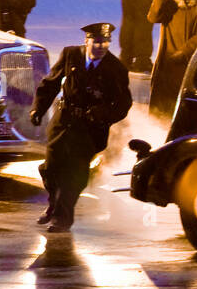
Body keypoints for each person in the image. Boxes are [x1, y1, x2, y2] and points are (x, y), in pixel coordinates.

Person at [29, 23, 132, 233]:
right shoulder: (71, 55)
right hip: (63, 121)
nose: (101, 47)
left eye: (106, 42)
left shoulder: (116, 68)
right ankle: (53, 204)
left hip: (89, 129)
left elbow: (124, 103)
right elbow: (51, 83)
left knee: (74, 173)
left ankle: (62, 218)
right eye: (97, 42)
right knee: (51, 168)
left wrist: (104, 115)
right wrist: (38, 109)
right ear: (87, 41)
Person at [147, 0, 197, 118]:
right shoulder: (168, 4)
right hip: (166, 61)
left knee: (180, 104)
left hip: (186, 61)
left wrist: (185, 51)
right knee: (161, 105)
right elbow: (153, 17)